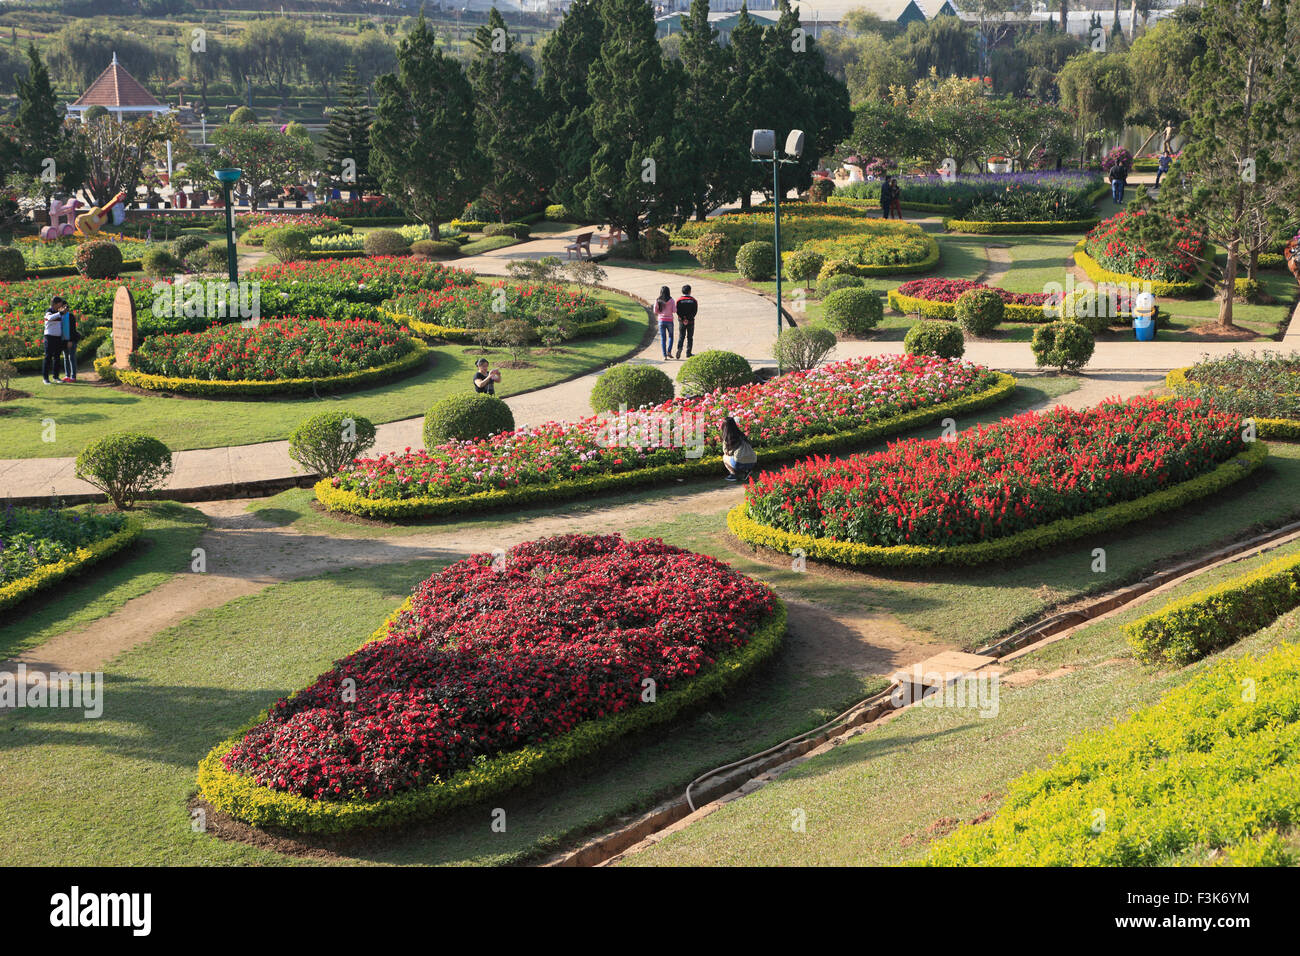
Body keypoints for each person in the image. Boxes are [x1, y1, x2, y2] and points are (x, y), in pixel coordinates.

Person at [721, 416, 757, 482]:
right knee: (740, 457)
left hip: (739, 463)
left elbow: (726, 452)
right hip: (753, 461)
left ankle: (733, 475)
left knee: (725, 457)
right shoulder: (741, 434)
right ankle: (747, 471)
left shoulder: (727, 437)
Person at [40, 297, 65, 385]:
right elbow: (49, 318)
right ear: (55, 303)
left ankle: (56, 377)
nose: (61, 305)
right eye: (60, 303)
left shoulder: (59, 313)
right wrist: (60, 313)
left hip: (58, 337)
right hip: (49, 337)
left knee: (57, 358)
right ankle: (45, 378)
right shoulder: (49, 311)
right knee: (48, 357)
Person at [57, 297, 81, 382]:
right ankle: (67, 375)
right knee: (66, 358)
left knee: (72, 357)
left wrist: (70, 340)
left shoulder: (70, 316)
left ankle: (73, 376)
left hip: (71, 340)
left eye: (64, 307)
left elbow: (73, 330)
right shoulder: (59, 316)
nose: (63, 308)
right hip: (63, 341)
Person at [675, 284, 698, 360]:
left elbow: (677, 311)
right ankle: (688, 352)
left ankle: (679, 348)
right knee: (690, 337)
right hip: (690, 321)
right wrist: (688, 318)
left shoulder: (679, 300)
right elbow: (694, 312)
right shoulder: (693, 300)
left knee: (681, 336)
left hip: (681, 321)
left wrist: (683, 318)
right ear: (690, 291)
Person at [653, 285, 675, 360]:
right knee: (671, 336)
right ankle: (669, 351)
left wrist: (660, 312)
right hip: (669, 321)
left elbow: (655, 311)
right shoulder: (671, 300)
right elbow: (674, 311)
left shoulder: (658, 300)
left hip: (661, 321)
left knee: (663, 338)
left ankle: (664, 355)